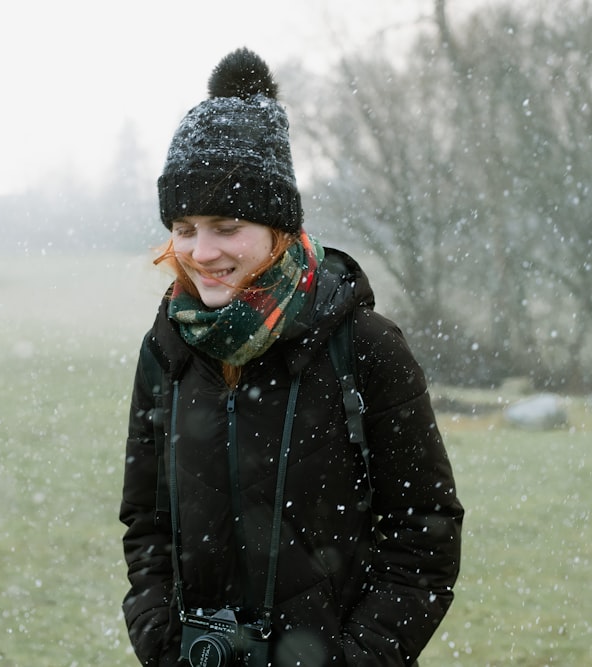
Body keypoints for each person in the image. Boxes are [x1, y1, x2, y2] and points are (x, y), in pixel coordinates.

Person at [120, 47, 463, 667]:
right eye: (186, 227)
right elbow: (147, 522)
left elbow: (424, 534)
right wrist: (163, 641)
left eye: (227, 226)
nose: (201, 251)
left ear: (278, 228)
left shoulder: (364, 347)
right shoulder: (167, 348)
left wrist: (353, 659)